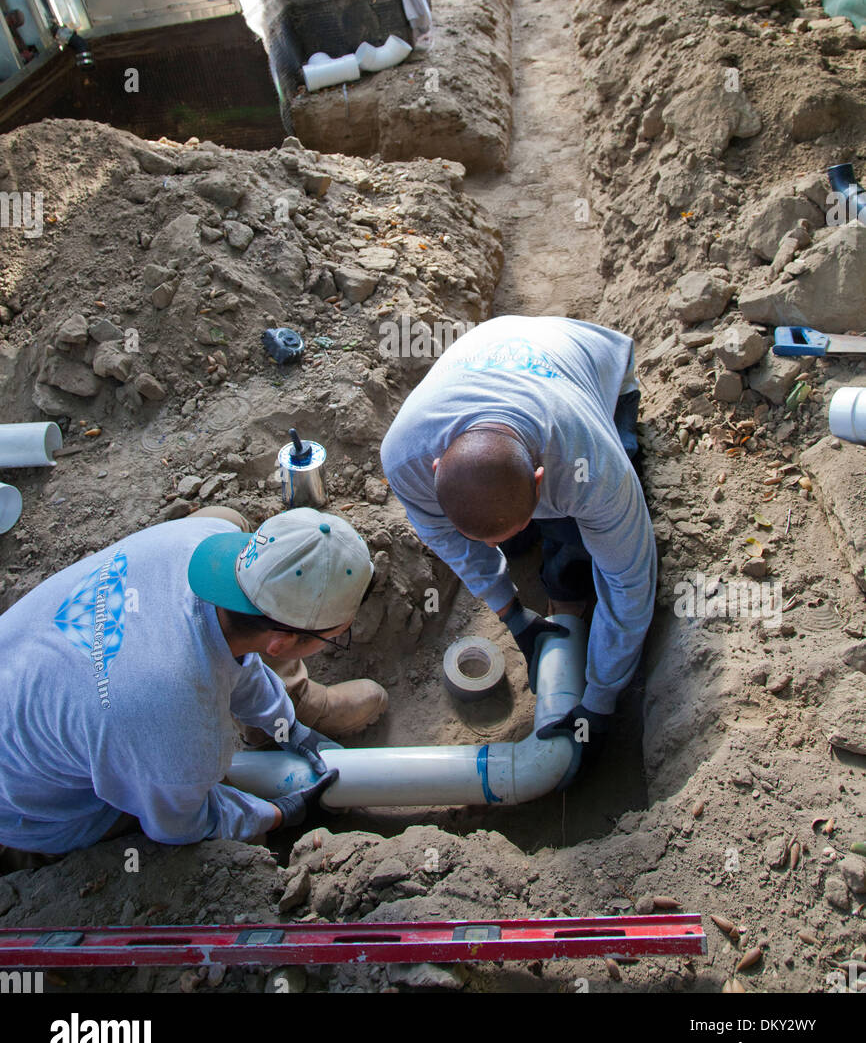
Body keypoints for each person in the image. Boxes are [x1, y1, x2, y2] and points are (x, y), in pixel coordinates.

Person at [0, 507, 378, 867]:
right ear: (281, 645)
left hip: (26, 674)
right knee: (240, 844)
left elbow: (233, 654)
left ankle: (277, 726)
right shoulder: (178, 722)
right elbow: (181, 825)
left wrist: (287, 727)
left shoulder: (205, 538)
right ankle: (23, 861)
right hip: (27, 809)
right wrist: (281, 815)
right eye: (333, 637)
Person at [380, 315, 657, 754]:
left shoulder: (595, 468)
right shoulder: (405, 455)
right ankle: (523, 536)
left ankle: (562, 577)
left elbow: (629, 582)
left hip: (595, 361)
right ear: (436, 469)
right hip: (493, 341)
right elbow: (448, 540)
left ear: (541, 480)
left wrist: (601, 699)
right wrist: (512, 613)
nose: (490, 547)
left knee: (577, 535)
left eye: (524, 516)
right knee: (508, 529)